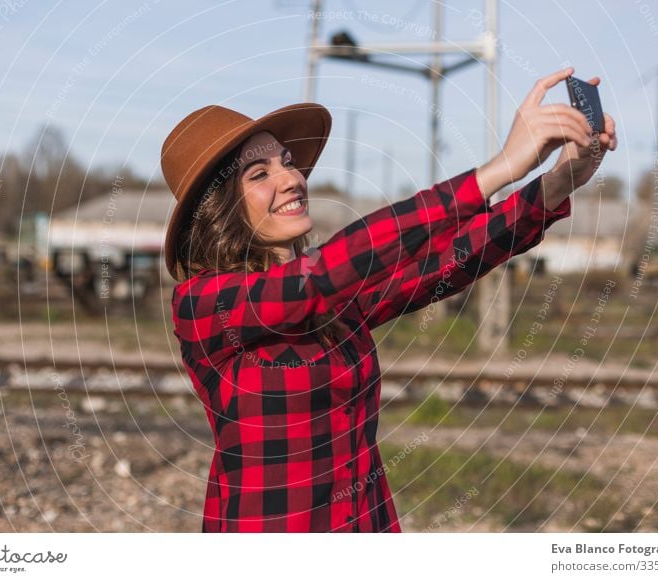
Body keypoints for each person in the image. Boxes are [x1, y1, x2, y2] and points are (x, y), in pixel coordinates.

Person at [161, 67, 618, 533]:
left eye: (287, 161)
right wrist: (499, 169)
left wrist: (558, 183)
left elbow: (447, 262)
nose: (291, 178)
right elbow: (328, 273)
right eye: (260, 174)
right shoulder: (204, 304)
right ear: (219, 212)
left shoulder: (333, 296)